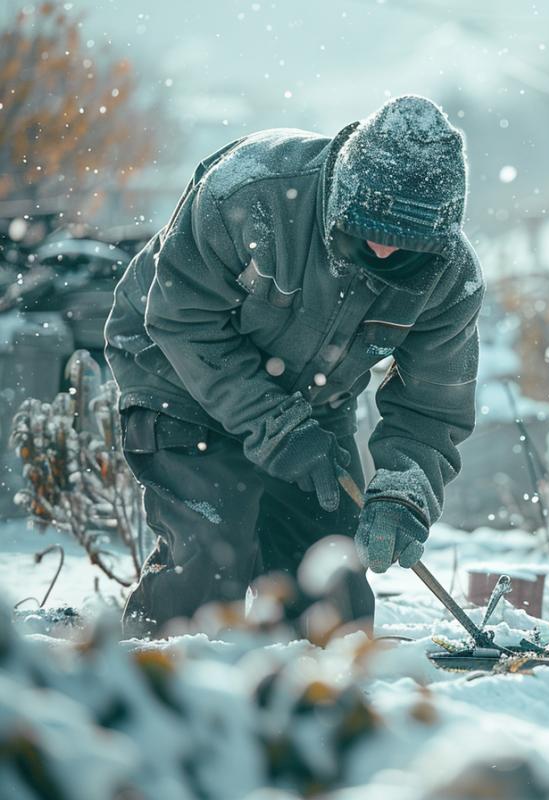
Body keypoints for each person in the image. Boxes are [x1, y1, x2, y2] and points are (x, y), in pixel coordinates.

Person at [103, 95, 483, 638]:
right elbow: (181, 319)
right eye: (368, 229)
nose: (381, 251)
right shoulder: (250, 191)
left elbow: (432, 407)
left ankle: (296, 687)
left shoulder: (450, 280)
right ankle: (159, 673)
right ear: (341, 196)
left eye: (404, 245)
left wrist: (403, 492)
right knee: (212, 554)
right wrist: (274, 427)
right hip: (176, 371)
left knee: (331, 595)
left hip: (312, 403)